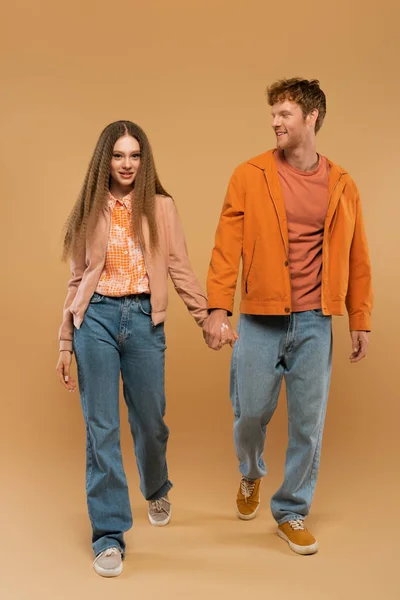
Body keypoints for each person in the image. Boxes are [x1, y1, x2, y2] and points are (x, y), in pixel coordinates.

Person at [203, 78, 373, 555]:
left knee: (308, 423)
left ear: (311, 118)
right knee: (250, 412)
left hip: (317, 320)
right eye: (273, 114)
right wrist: (218, 309)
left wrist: (358, 317)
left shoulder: (342, 184)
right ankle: (251, 472)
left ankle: (292, 509)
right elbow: (225, 247)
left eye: (284, 114)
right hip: (259, 318)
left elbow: (358, 256)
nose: (275, 122)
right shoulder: (249, 174)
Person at [56, 121, 209, 577]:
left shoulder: (161, 207)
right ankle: (108, 533)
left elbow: (179, 265)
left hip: (144, 322)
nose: (127, 164)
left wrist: (206, 318)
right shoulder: (89, 209)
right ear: (106, 160)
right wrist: (65, 340)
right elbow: (75, 279)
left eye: (135, 155)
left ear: (145, 160)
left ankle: (156, 484)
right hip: (96, 319)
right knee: (101, 428)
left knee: (150, 420)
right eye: (119, 156)